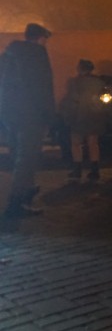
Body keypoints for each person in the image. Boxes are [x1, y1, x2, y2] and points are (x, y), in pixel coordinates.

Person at [0, 23, 54, 220]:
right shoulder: (36, 54)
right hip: (31, 114)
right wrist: (50, 115)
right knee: (27, 157)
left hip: (10, 114)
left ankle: (26, 192)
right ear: (40, 38)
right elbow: (42, 86)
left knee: (17, 154)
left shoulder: (8, 54)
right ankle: (18, 201)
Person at [60, 59, 107, 181]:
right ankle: (95, 170)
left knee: (76, 143)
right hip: (94, 116)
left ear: (80, 68)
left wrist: (67, 116)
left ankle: (77, 170)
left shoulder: (75, 82)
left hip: (78, 116)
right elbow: (104, 99)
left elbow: (71, 100)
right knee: (93, 143)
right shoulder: (99, 82)